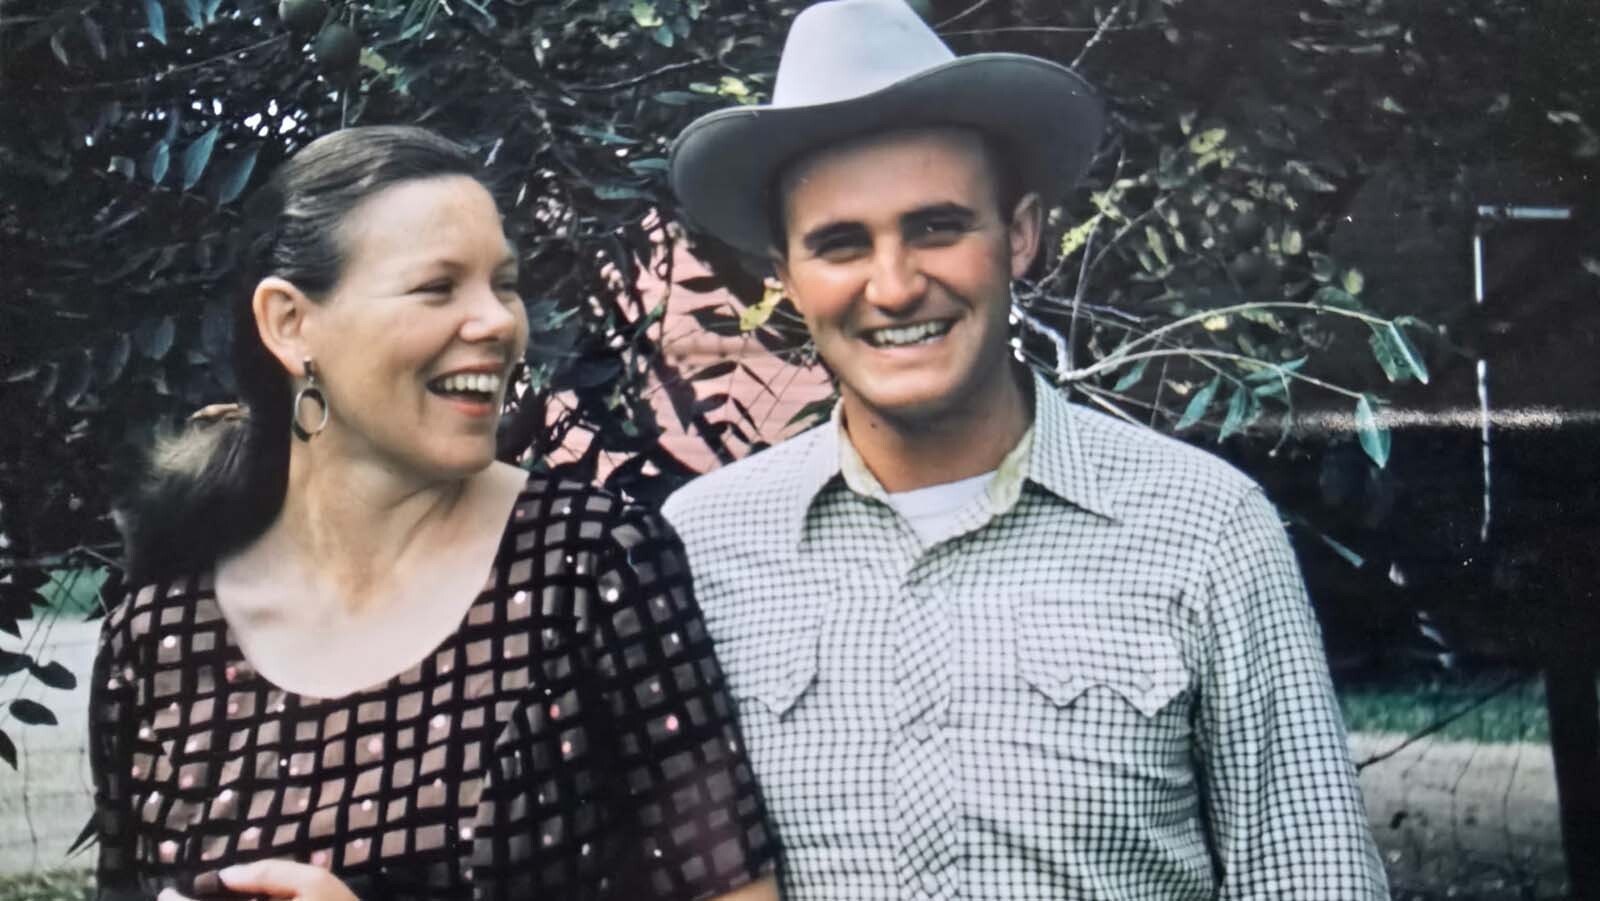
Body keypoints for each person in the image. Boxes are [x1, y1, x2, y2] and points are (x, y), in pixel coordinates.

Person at [661, 1, 1388, 898]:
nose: (893, 286)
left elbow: (1310, 877)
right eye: (841, 244)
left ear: (1021, 235)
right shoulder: (697, 549)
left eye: (936, 227)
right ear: (786, 277)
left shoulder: (1204, 528)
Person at [89, 126, 777, 901]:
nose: (497, 323)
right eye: (437, 287)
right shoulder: (159, 638)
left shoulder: (591, 567)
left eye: (504, 283)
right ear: (289, 323)